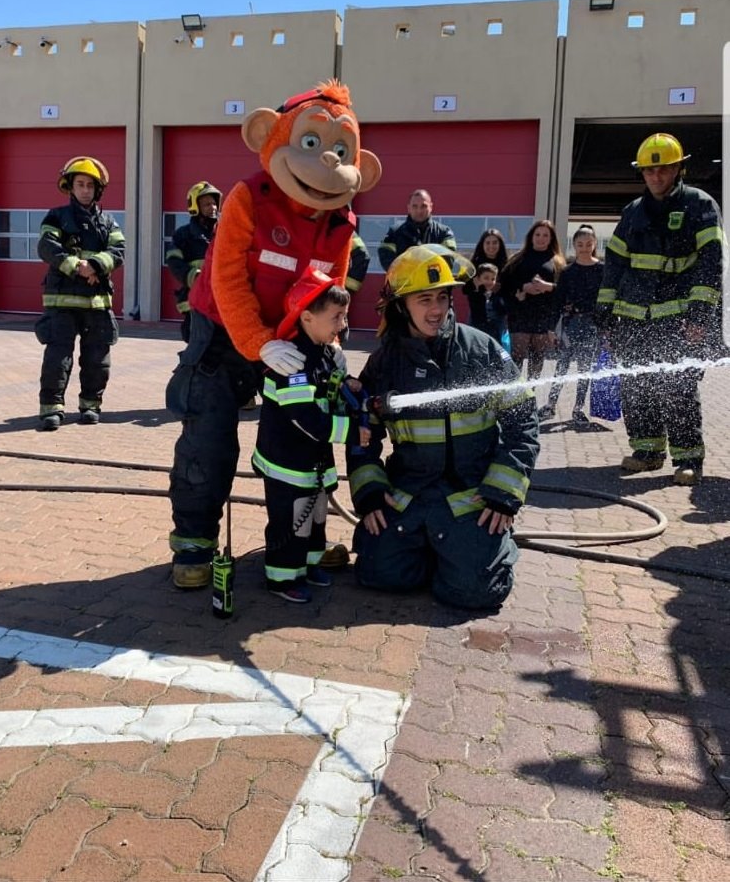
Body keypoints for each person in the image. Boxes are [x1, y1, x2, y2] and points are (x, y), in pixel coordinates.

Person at [166, 80, 381, 589]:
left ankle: (306, 537)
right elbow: (228, 279)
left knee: (307, 439)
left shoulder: (341, 221)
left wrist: (329, 351)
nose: (328, 160)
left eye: (340, 149)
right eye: (312, 143)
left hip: (297, 340)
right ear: (271, 136)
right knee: (210, 436)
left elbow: (334, 289)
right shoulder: (249, 198)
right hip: (223, 331)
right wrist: (258, 343)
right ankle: (193, 544)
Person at [346, 245, 540, 611]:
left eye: (442, 297)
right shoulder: (386, 360)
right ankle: (448, 551)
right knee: (378, 574)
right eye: (424, 300)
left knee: (475, 593)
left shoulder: (482, 351)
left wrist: (503, 494)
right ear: (402, 304)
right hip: (410, 494)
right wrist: (369, 493)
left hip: (472, 496)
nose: (436, 310)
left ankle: (480, 549)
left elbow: (522, 422)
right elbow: (362, 432)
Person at [597, 133, 724, 485]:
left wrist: (701, 315)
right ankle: (648, 452)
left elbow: (711, 263)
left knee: (678, 387)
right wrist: (605, 310)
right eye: (650, 171)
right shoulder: (632, 213)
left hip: (680, 318)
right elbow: (615, 265)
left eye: (663, 170)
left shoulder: (700, 205)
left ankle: (688, 459)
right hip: (635, 318)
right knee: (637, 387)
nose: (656, 177)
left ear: (679, 169)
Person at [253, 268, 369, 603]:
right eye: (336, 317)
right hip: (287, 462)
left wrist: (349, 385)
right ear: (306, 317)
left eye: (344, 316)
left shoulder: (329, 353)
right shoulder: (289, 362)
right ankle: (282, 577)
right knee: (293, 520)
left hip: (314, 460)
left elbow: (331, 385)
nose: (342, 325)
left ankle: (308, 564)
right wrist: (351, 432)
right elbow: (305, 417)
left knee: (317, 514)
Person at [34, 156, 125, 431]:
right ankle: (51, 408)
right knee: (57, 358)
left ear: (97, 190)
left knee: (97, 359)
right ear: (70, 187)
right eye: (80, 184)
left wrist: (96, 265)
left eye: (89, 185)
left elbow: (118, 252)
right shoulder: (56, 216)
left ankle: (90, 405)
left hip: (97, 302)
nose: (85, 189)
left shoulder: (109, 223)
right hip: (62, 302)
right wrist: (78, 267)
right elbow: (47, 247)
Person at [539, 225, 604, 426]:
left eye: (588, 244)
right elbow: (557, 302)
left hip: (592, 326)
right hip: (571, 325)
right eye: (580, 244)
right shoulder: (567, 272)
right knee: (562, 366)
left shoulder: (603, 270)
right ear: (574, 246)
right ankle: (550, 405)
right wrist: (551, 329)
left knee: (585, 369)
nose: (584, 248)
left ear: (594, 245)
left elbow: (607, 300)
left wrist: (608, 327)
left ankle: (578, 409)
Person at [499, 219, 564, 379]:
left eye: (545, 235)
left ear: (551, 239)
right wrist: (522, 287)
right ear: (531, 236)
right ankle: (516, 395)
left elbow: (565, 290)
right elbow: (504, 285)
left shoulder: (557, 261)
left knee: (537, 360)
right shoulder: (517, 259)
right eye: (538, 234)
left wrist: (548, 286)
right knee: (517, 359)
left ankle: (532, 395)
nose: (541, 238)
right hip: (520, 316)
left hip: (544, 317)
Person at [165, 181, 221, 342]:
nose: (213, 208)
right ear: (195, 207)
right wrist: (194, 277)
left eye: (214, 203)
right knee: (198, 344)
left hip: (222, 300)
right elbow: (174, 262)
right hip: (196, 301)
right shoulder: (184, 235)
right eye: (207, 204)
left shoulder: (225, 232)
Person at [377, 189, 457, 271]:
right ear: (408, 208)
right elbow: (387, 260)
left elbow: (448, 260)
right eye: (415, 206)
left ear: (431, 207)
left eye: (424, 206)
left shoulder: (444, 233)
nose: (419, 211)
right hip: (405, 283)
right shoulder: (394, 232)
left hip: (435, 283)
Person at [464, 263, 509, 346]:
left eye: (493, 279)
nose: (490, 281)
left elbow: (503, 311)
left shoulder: (496, 295)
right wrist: (478, 288)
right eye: (486, 278)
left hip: (495, 332)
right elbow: (477, 312)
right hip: (478, 331)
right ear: (477, 279)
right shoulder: (475, 294)